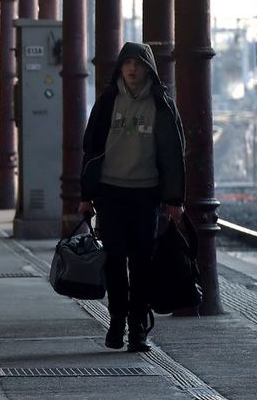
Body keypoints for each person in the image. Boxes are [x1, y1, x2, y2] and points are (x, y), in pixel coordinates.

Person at [78, 42, 185, 353]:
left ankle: (137, 327)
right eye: (127, 63)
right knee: (114, 260)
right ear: (120, 67)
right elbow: (90, 149)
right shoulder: (107, 101)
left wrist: (174, 199)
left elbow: (174, 153)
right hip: (111, 192)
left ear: (149, 68)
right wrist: (86, 195)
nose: (132, 68)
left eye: (138, 63)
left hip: (146, 193)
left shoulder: (162, 104)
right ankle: (116, 321)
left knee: (141, 263)